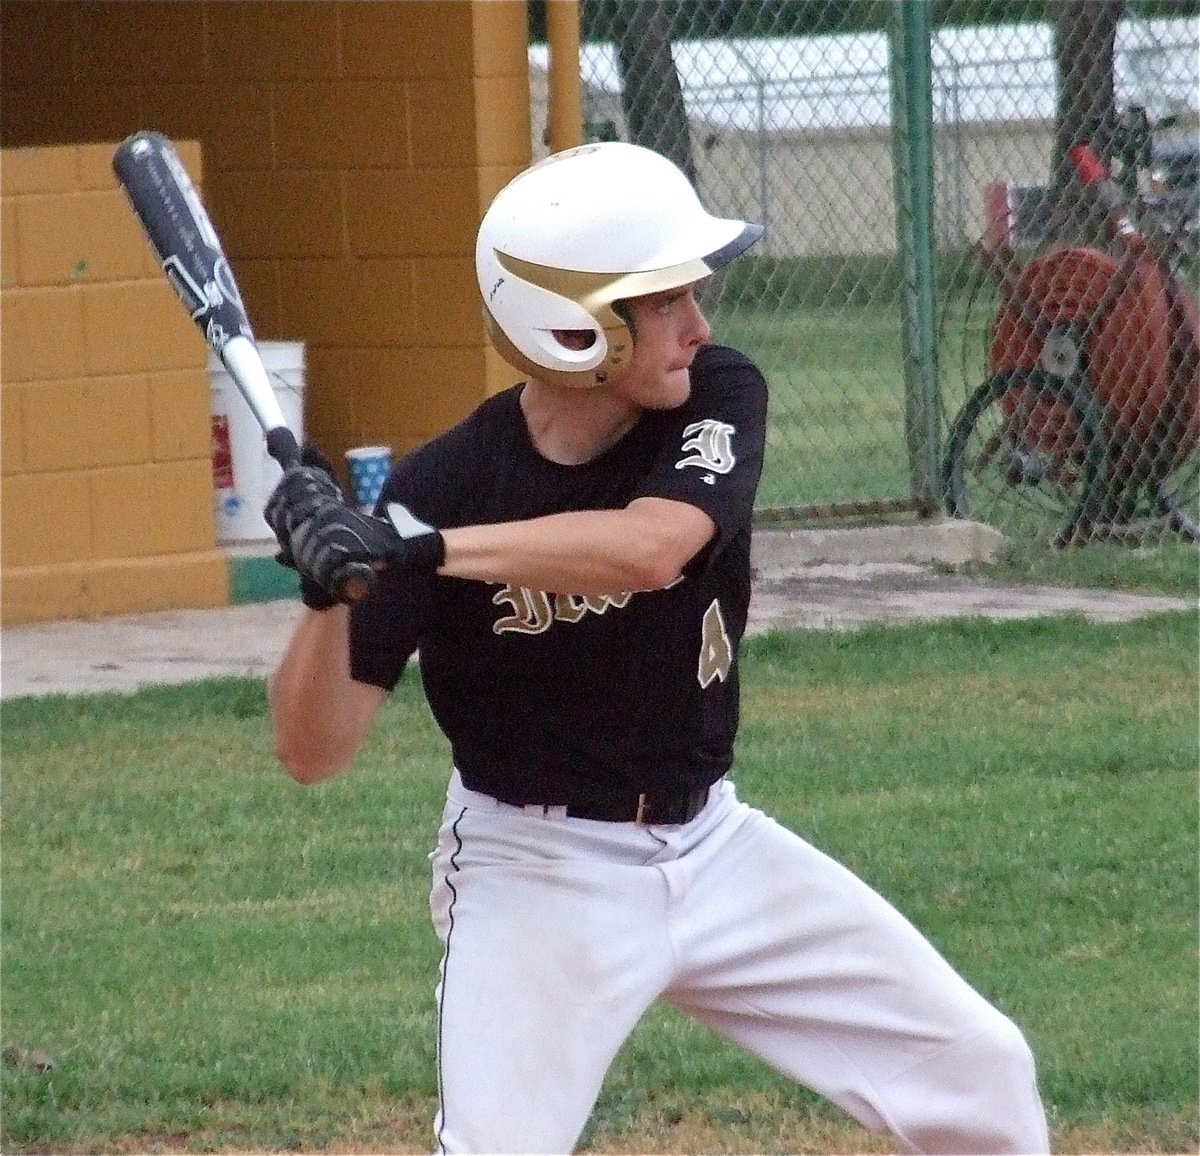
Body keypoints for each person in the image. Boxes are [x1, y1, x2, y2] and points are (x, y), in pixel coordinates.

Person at [265, 142, 1051, 1155]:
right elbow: (310, 749)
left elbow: (650, 548)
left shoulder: (714, 395)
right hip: (535, 863)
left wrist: (416, 547)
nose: (700, 324)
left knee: (979, 1071)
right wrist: (325, 593)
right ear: (578, 327)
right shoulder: (445, 484)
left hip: (713, 845)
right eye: (667, 300)